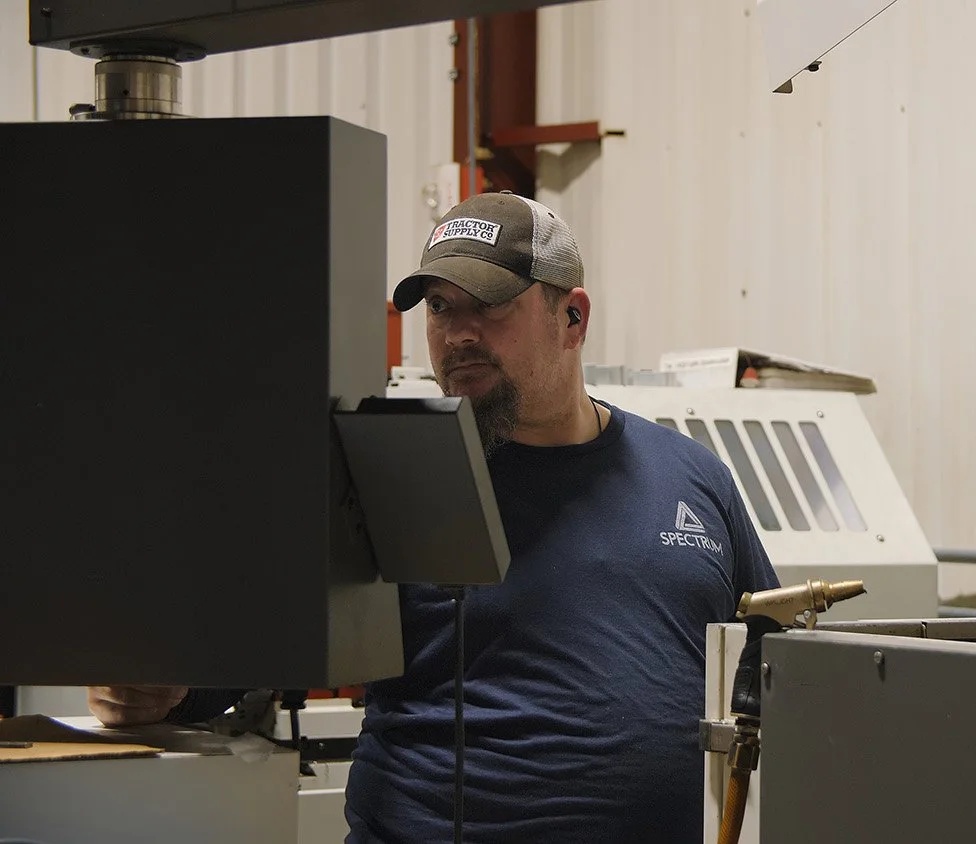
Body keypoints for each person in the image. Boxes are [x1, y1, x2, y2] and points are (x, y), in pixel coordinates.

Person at [87, 191, 781, 843]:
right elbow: (232, 650)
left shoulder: (691, 476)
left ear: (572, 318)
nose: (458, 335)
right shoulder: (388, 469)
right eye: (441, 309)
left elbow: (775, 666)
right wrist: (155, 684)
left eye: (488, 305)